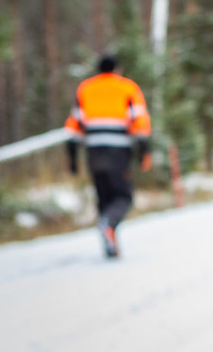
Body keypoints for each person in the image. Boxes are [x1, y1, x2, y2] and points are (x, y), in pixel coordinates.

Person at [64, 54, 152, 258]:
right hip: (118, 152)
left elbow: (74, 124)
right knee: (123, 196)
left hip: (94, 152)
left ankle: (110, 241)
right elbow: (139, 121)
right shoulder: (127, 88)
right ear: (117, 69)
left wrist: (72, 157)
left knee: (104, 197)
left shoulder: (86, 89)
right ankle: (109, 224)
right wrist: (144, 152)